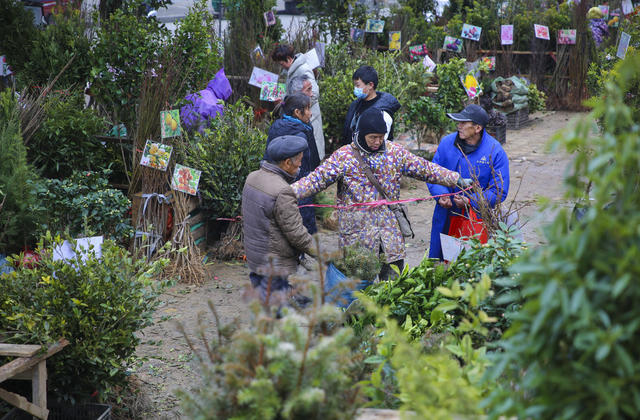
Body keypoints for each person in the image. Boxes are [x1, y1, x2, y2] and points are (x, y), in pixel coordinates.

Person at [292, 108, 471, 281]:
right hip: (357, 239)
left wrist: (455, 179)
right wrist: (288, 192)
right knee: (359, 292)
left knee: (393, 289)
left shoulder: (394, 153)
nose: (378, 141)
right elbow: (315, 180)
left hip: (390, 238)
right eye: (373, 138)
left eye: (381, 137)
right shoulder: (344, 157)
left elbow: (425, 168)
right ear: (362, 134)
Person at [427, 104, 510, 260]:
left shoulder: (494, 151)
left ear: (477, 128)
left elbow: (499, 191)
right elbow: (432, 173)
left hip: (476, 218)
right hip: (445, 212)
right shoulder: (447, 143)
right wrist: (441, 195)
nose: (459, 126)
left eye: (463, 123)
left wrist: (471, 201)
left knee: (469, 262)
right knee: (438, 260)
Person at [242, 135, 317, 305]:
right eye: (299, 161)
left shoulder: (252, 177)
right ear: (287, 163)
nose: (300, 166)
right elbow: (296, 233)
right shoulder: (282, 191)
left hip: (255, 254)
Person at [265, 93, 320, 235]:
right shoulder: (299, 135)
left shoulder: (277, 125)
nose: (310, 112)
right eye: (307, 108)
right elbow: (304, 168)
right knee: (300, 226)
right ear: (297, 112)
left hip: (275, 185)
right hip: (298, 187)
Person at [271, 44, 325, 159]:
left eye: (282, 64)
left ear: (289, 59)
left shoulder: (302, 70)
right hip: (298, 117)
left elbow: (314, 93)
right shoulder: (292, 70)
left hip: (308, 117)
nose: (282, 67)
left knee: (311, 155)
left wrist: (296, 102)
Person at [340, 65, 401, 146]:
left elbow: (380, 142)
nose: (355, 89)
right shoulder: (356, 105)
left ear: (370, 85)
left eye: (358, 85)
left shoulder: (382, 111)